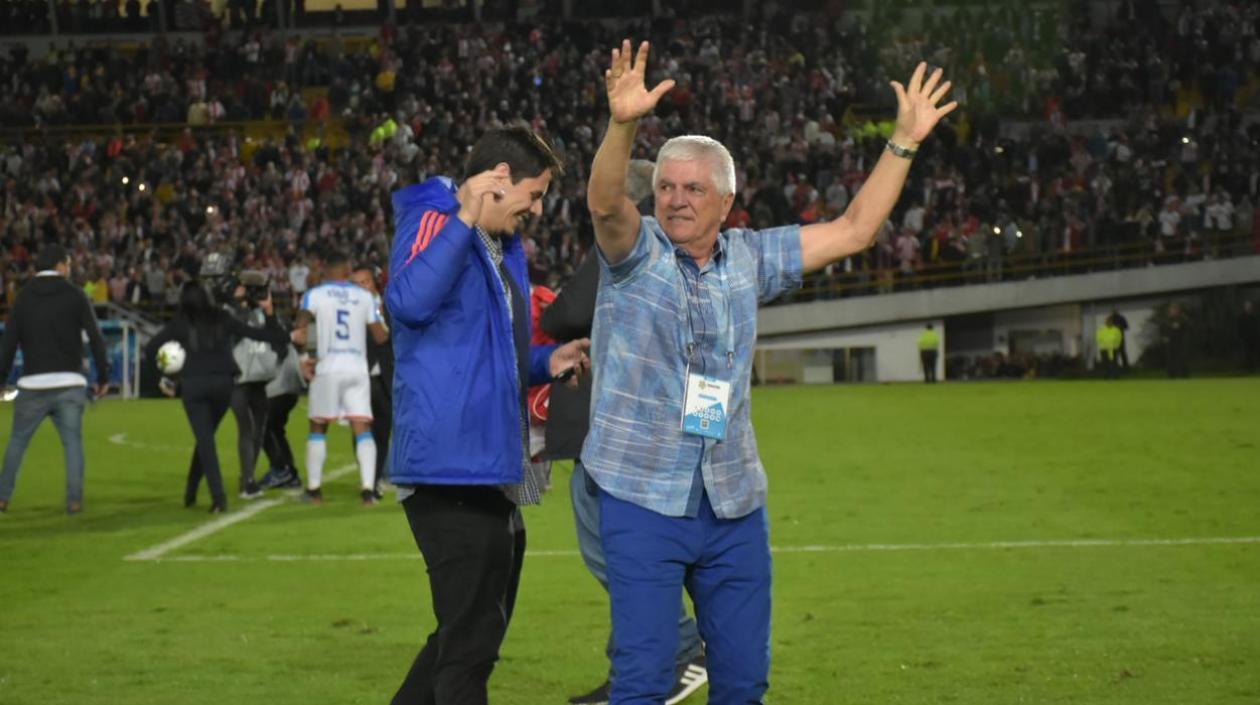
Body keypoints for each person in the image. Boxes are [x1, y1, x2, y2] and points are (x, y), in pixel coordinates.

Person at [583, 41, 954, 703]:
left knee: (744, 683)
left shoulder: (750, 258)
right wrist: (622, 124)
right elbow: (609, 205)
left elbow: (854, 229)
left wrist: (902, 141)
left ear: (727, 202)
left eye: (693, 188)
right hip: (641, 497)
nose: (675, 200)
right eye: (665, 187)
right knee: (640, 683)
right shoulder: (634, 256)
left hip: (732, 502)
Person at [385, 125, 592, 705]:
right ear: (499, 179)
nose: (539, 207)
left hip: (488, 465)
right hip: (448, 467)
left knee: (470, 635)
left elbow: (489, 352)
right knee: (469, 647)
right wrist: (465, 219)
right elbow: (407, 302)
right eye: (536, 191)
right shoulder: (436, 219)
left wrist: (549, 360)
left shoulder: (499, 248)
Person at [544, 161, 708, 705]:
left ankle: (685, 644)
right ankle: (633, 675)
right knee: (633, 553)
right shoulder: (691, 250)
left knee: (613, 556)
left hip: (610, 429)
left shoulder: (626, 242)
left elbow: (566, 315)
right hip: (660, 427)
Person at [144, 282, 289, 512]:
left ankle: (219, 499)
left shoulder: (181, 322)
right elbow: (258, 334)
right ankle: (191, 492)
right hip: (224, 385)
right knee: (205, 438)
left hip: (194, 386)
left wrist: (164, 380)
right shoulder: (222, 317)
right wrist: (271, 316)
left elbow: (151, 348)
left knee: (206, 442)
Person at [0, 244, 109, 515]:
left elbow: (8, 343)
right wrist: (103, 377)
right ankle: (73, 500)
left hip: (33, 383)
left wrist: (1, 381)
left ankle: (2, 497)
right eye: (68, 264)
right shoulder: (75, 295)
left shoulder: (23, 298)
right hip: (70, 383)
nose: (70, 269)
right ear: (60, 265)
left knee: (17, 442)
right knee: (72, 443)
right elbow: (96, 337)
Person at [291, 251, 389, 506]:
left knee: (318, 426)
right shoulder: (364, 296)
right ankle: (368, 492)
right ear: (347, 270)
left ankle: (314, 491)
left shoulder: (315, 294)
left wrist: (303, 358)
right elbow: (380, 337)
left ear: (326, 271)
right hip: (357, 369)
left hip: (329, 368)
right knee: (362, 427)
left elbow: (300, 328)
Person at [350, 265, 393, 497]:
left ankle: (375, 480)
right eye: (356, 284)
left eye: (364, 282)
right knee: (360, 431)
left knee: (383, 431)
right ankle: (370, 480)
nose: (361, 288)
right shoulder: (350, 311)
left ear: (373, 283)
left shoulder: (389, 307)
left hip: (385, 377)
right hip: (360, 378)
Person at [258, 342, 305, 490]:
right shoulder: (278, 327)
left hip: (279, 387)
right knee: (275, 430)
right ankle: (290, 473)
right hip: (288, 387)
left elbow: (279, 349)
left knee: (262, 428)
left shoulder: (271, 328)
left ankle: (280, 470)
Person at [1163, 303, 1191, 378]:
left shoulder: (1183, 319)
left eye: (1175, 310)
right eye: (1172, 310)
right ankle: (1171, 376)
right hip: (1170, 344)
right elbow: (1163, 330)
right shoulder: (1167, 320)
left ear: (1178, 311)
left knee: (1182, 360)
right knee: (1170, 360)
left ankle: (1184, 376)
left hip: (1181, 343)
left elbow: (1187, 329)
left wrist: (1180, 326)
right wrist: (1165, 337)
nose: (1173, 312)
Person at [1096, 315, 1122, 379]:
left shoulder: (1116, 330)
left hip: (1114, 349)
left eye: (1110, 321)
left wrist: (1115, 345)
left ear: (1112, 322)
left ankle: (1115, 376)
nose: (1108, 322)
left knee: (1114, 363)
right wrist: (1105, 344)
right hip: (1104, 349)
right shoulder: (1101, 329)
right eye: (1107, 321)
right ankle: (1106, 376)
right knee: (1105, 364)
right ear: (1105, 322)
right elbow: (1098, 338)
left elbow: (1119, 338)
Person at [1237, 300, 1259, 371]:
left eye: (1249, 306)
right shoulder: (1241, 317)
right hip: (1245, 339)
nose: (1248, 307)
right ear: (1244, 307)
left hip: (1254, 338)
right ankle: (1248, 368)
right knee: (1247, 353)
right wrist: (1241, 337)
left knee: (1255, 353)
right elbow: (1239, 328)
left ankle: (1254, 367)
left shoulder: (1254, 316)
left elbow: (1256, 327)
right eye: (1247, 306)